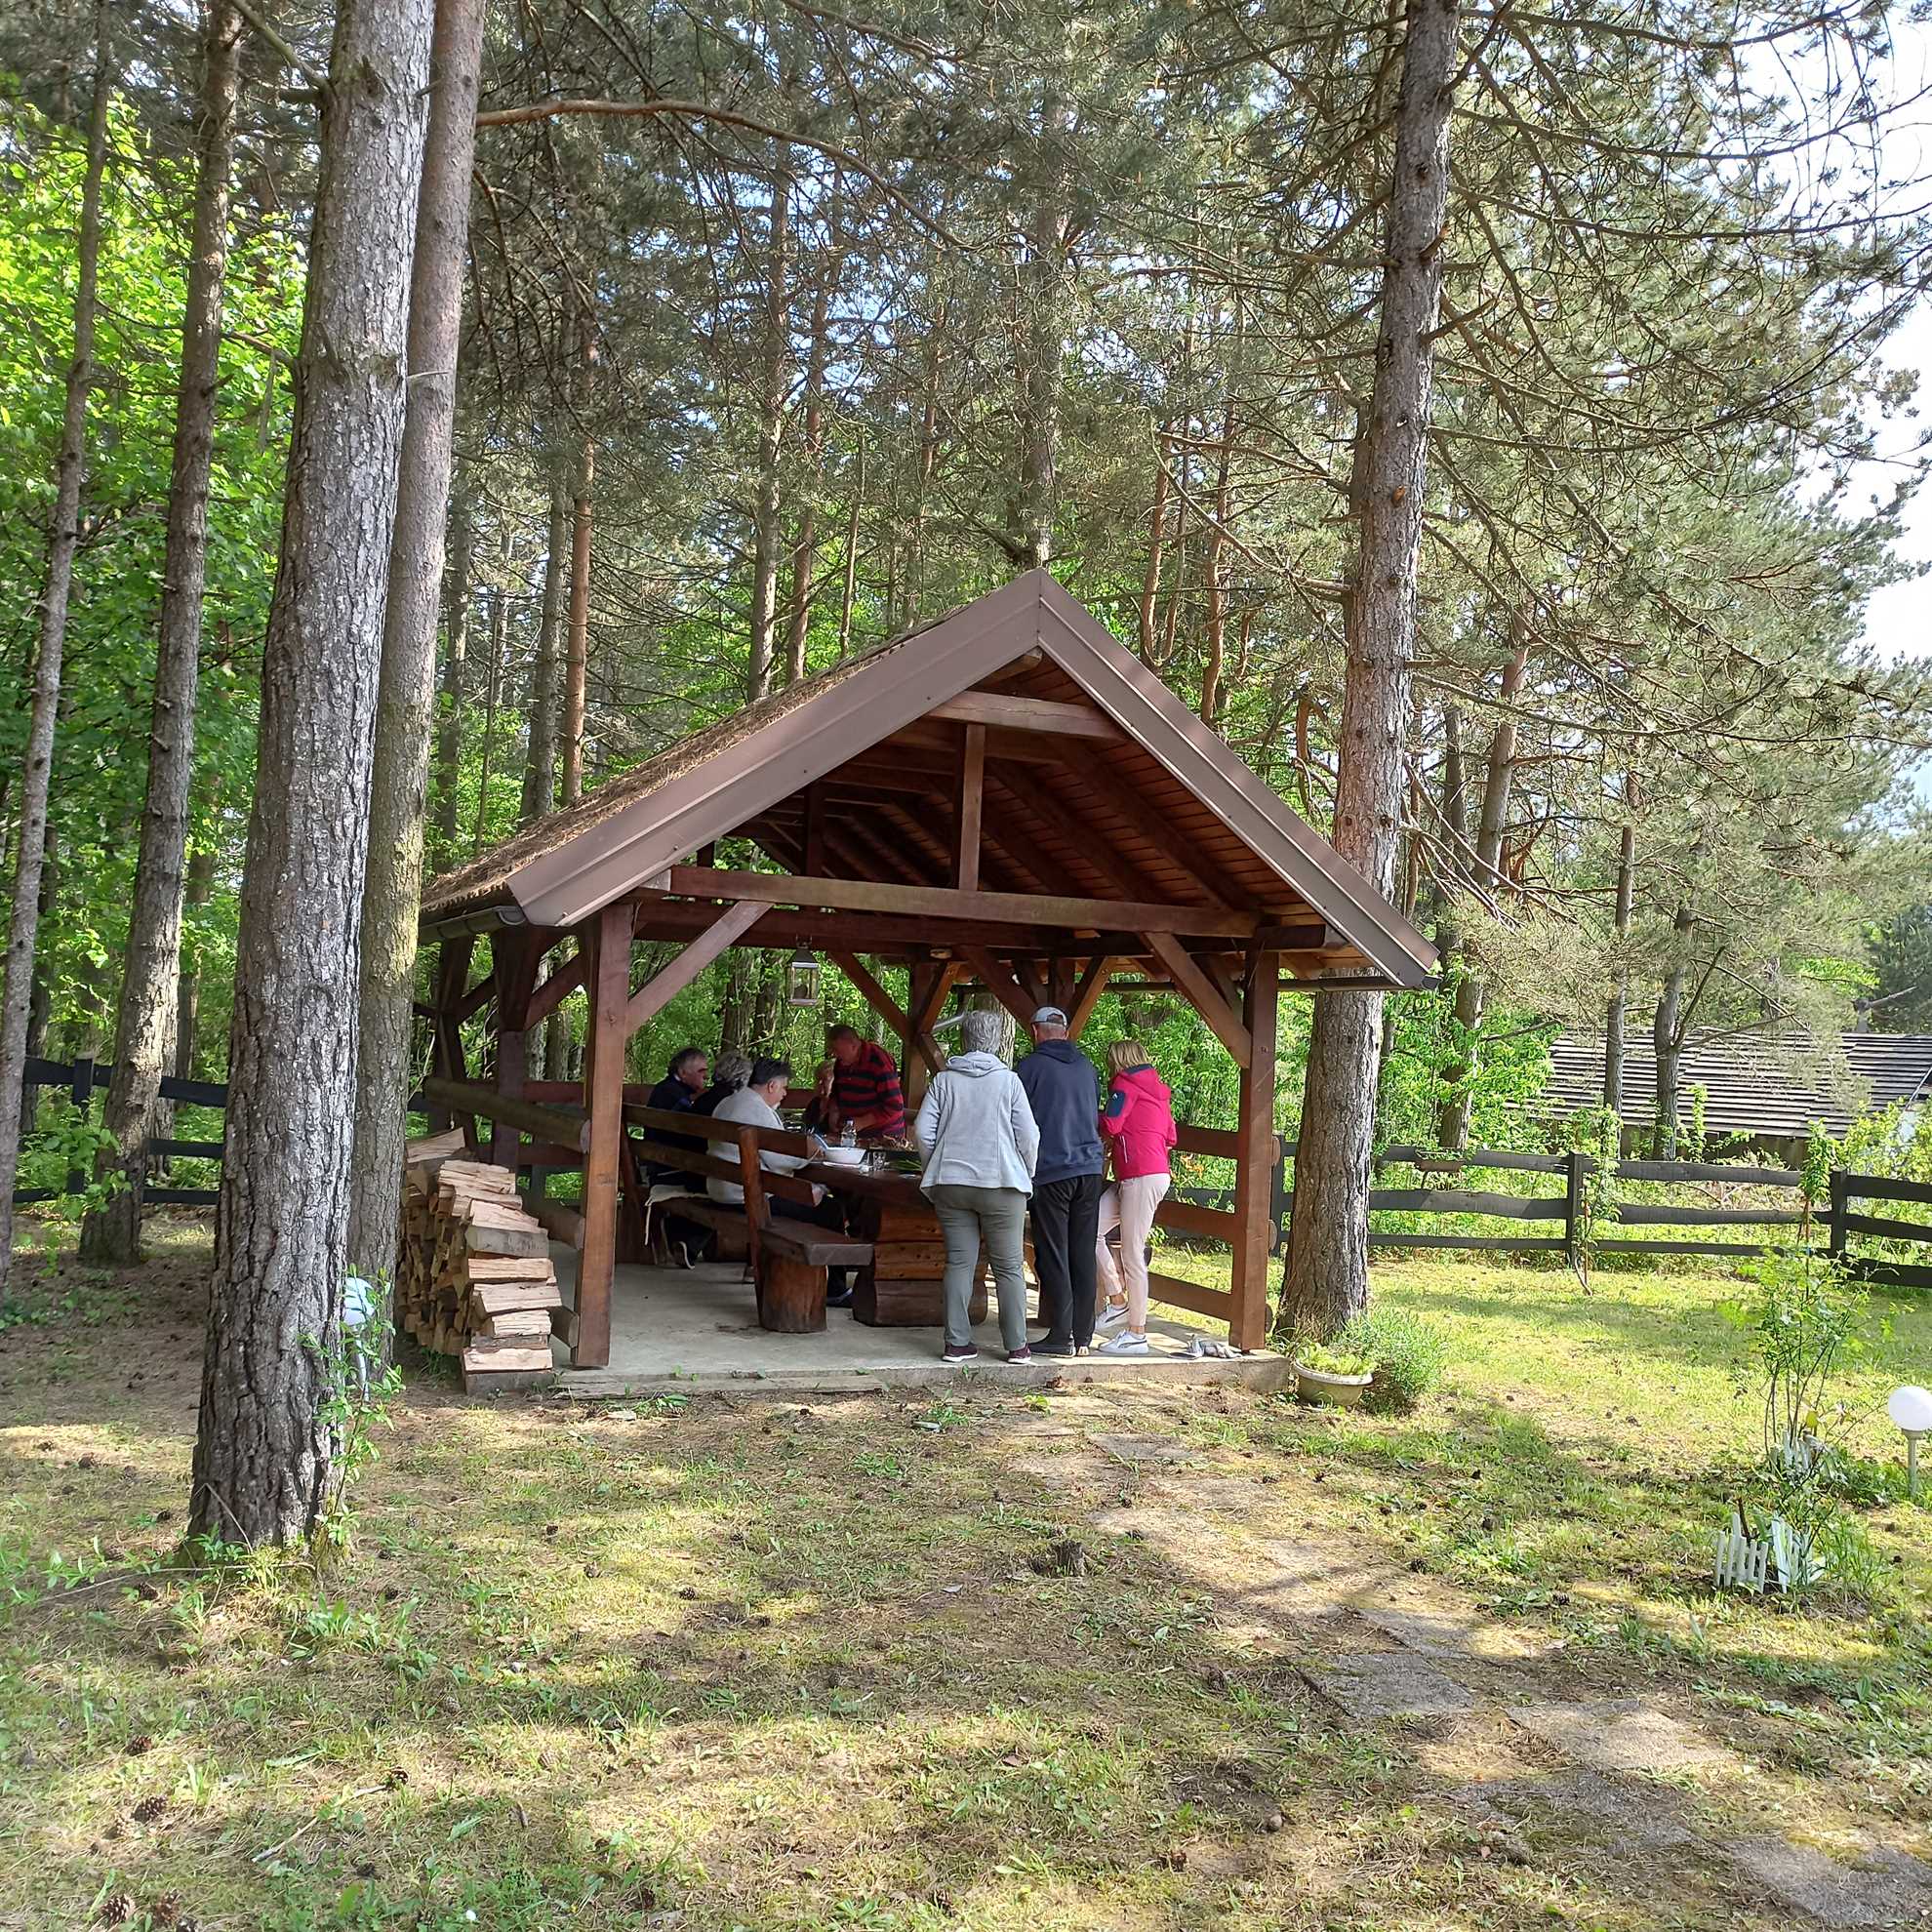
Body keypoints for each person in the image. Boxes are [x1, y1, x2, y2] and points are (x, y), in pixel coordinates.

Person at [911, 1008, 1040, 1364]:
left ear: (964, 1040)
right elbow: (1029, 1135)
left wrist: (935, 1165)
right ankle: (1017, 1346)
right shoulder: (1008, 1082)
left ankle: (957, 1343)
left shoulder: (944, 1080)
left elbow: (922, 1132)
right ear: (997, 1041)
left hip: (951, 1182)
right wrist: (1025, 1172)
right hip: (1001, 1183)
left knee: (959, 1263)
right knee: (1009, 1266)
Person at [709, 1057, 858, 1305]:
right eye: (784, 1087)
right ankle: (836, 1288)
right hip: (745, 1197)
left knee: (816, 1198)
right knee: (831, 1210)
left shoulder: (728, 1102)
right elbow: (781, 1160)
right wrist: (812, 1153)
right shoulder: (757, 1110)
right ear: (771, 1086)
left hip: (722, 1189)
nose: (784, 1094)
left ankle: (831, 1282)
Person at [1015, 1004, 1105, 1357]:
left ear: (1035, 1031)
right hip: (1089, 1170)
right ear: (1065, 1032)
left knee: (1053, 1253)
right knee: (1083, 1251)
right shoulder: (1087, 1067)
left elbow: (1016, 1118)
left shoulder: (1030, 1068)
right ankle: (1084, 1334)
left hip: (1052, 1169)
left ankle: (1060, 1335)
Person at [1093, 1037, 1177, 1356]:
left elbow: (1112, 1124)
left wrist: (1091, 1116)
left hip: (1139, 1177)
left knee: (1132, 1254)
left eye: (1111, 1062)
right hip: (1141, 1175)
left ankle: (1137, 1333)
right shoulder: (1159, 1091)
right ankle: (1117, 1301)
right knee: (1092, 1230)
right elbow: (1171, 1136)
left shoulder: (1124, 1085)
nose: (1110, 1068)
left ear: (1119, 1061)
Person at [818, 1024, 906, 1141]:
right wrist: (834, 1111)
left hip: (884, 1136)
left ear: (854, 1046)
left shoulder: (879, 1063)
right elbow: (837, 1093)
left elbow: (895, 1106)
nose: (834, 1054)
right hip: (853, 1134)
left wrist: (862, 1122)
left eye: (837, 1050)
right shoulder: (842, 1061)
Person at [641, 1045, 708, 1185]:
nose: (706, 1076)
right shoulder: (673, 1094)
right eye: (701, 1071)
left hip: (661, 1163)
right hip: (668, 1169)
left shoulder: (667, 1089)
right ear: (683, 1073)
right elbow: (693, 1130)